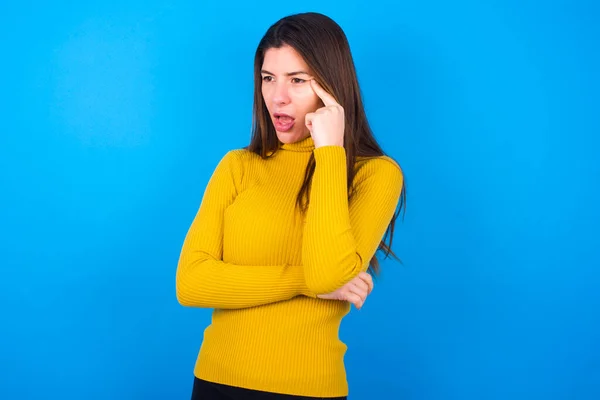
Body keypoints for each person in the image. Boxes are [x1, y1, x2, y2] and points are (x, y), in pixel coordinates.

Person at [176, 11, 406, 400]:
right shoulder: (238, 166)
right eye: (268, 78)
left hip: (306, 390)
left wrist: (330, 153)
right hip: (215, 381)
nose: (277, 96)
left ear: (332, 87)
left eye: (297, 80)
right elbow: (192, 283)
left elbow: (326, 275)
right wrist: (303, 281)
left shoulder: (375, 175)